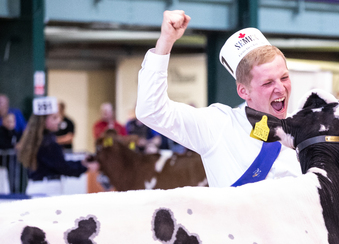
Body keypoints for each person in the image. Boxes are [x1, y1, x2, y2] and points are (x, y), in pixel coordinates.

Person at [135, 10, 301, 187]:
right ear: (243, 91)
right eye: (268, 83)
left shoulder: (305, 129)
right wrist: (165, 42)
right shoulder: (219, 125)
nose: (280, 88)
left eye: (284, 78)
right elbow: (151, 111)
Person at [17, 97, 98, 197]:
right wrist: (85, 167)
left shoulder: (36, 141)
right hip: (47, 189)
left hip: (36, 187)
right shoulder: (48, 143)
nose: (59, 121)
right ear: (43, 120)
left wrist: (81, 162)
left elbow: (57, 163)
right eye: (54, 118)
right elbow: (62, 167)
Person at [0, 112, 21, 193]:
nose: (10, 124)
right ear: (3, 121)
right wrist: (14, 146)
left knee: (13, 181)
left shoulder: (15, 133)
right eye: (8, 121)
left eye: (12, 121)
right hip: (2, 163)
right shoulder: (1, 132)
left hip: (12, 163)